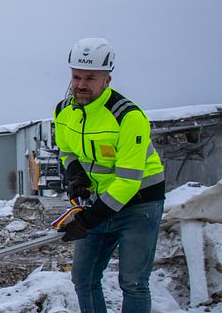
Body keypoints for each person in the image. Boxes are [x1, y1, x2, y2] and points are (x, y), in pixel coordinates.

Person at [53, 38, 165, 313]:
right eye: (76, 76)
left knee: (134, 282)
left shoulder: (127, 116)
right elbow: (67, 151)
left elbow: (128, 180)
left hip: (140, 205)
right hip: (101, 201)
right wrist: (75, 174)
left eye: (90, 78)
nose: (80, 84)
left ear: (107, 80)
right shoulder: (64, 111)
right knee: (83, 278)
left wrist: (89, 219)